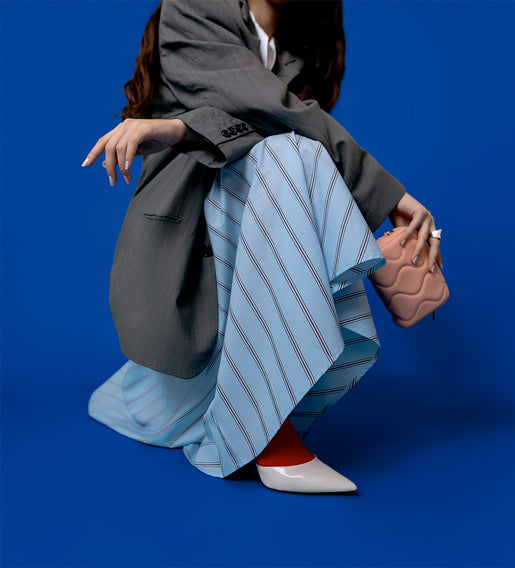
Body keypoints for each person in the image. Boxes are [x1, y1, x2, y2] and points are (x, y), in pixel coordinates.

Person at [82, 0, 443, 494]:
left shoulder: (305, 40)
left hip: (259, 219)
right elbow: (276, 113)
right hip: (190, 226)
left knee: (292, 149)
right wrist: (391, 196)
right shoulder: (193, 7)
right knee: (291, 150)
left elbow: (270, 124)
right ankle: (269, 436)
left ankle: (262, 406)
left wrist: (182, 127)